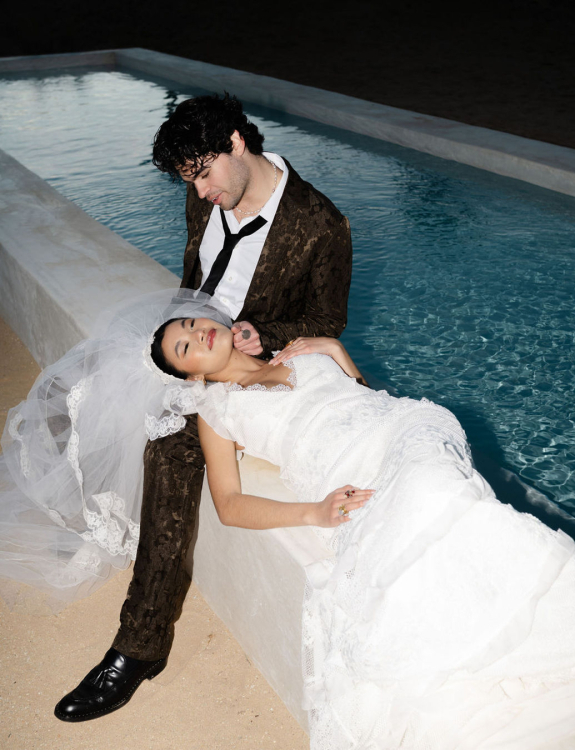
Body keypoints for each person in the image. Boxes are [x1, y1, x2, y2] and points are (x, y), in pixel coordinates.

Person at [3, 289, 575, 747]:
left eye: (191, 324)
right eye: (185, 346)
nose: (198, 332)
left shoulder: (295, 350)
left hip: (401, 428)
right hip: (344, 466)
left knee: (433, 483)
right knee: (427, 505)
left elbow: (364, 398)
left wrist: (335, 351)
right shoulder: (216, 413)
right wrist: (314, 511)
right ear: (192, 376)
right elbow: (230, 507)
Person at [52, 93, 353, 720]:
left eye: (204, 173)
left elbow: (326, 323)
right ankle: (94, 518)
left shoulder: (321, 224)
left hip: (241, 371)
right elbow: (199, 275)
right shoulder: (205, 191)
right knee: (85, 387)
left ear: (237, 143)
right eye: (189, 180)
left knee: (169, 452)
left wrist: (262, 336)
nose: (201, 192)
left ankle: (139, 647)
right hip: (190, 343)